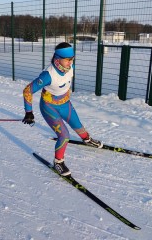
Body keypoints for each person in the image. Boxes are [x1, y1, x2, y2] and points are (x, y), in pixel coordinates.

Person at [22, 42, 103, 176]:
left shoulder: (70, 67)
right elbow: (27, 91)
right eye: (68, 59)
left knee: (78, 125)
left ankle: (87, 139)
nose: (70, 62)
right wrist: (29, 112)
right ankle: (58, 162)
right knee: (64, 135)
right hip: (49, 107)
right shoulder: (48, 75)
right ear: (57, 59)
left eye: (72, 59)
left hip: (65, 103)